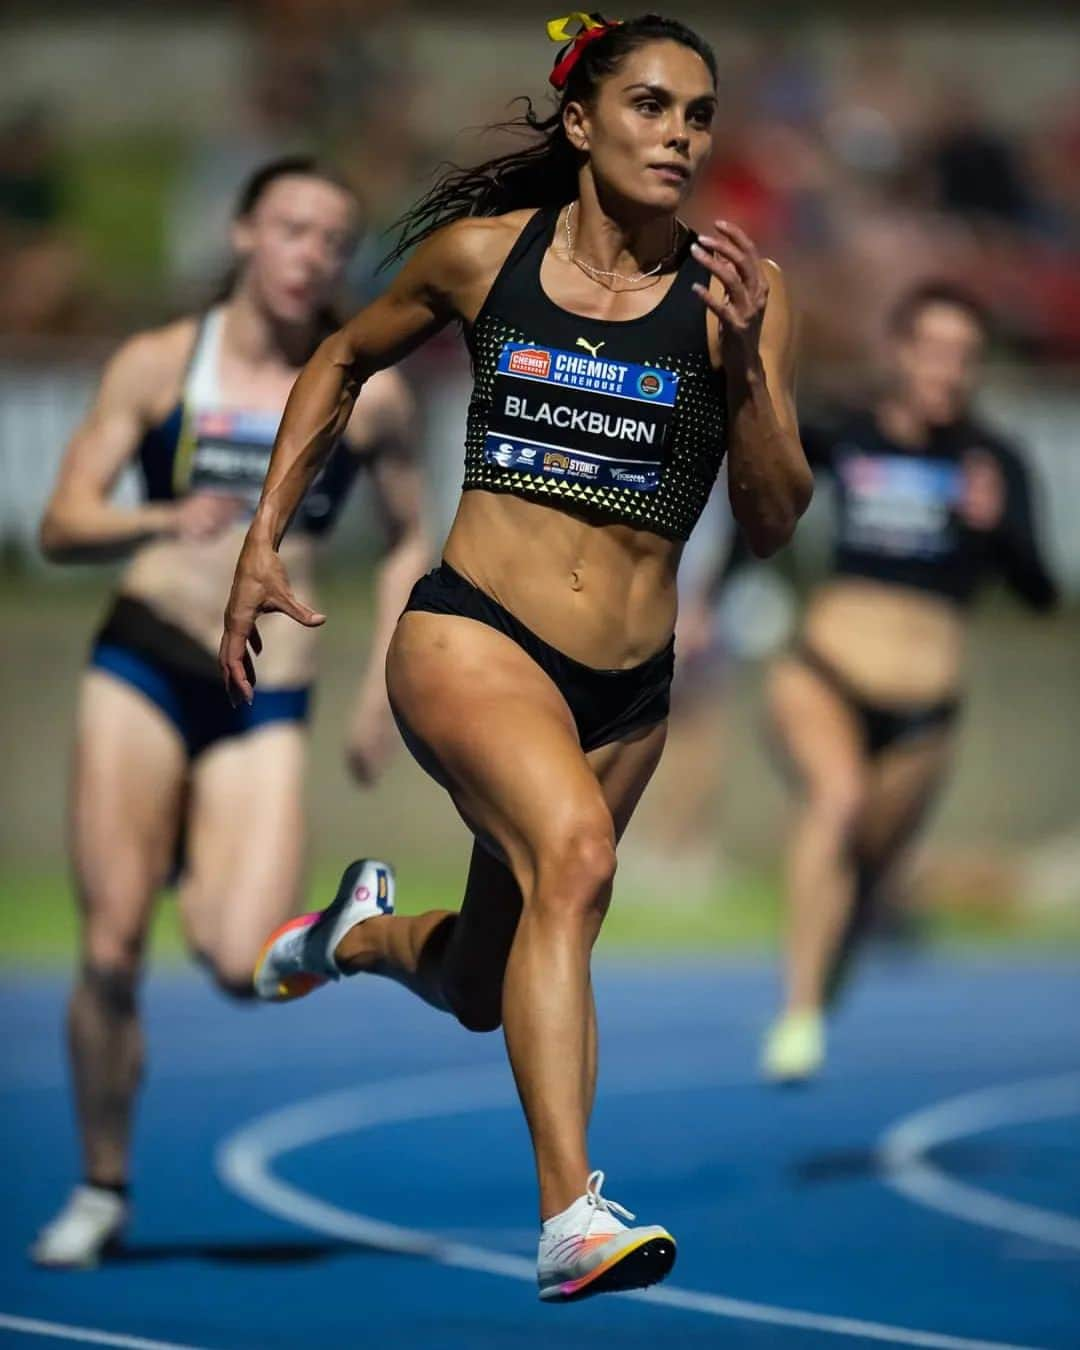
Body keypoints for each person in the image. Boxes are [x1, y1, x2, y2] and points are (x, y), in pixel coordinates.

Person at [221, 14, 811, 1301]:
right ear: (586, 123)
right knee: (580, 861)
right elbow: (338, 355)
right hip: (470, 636)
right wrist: (262, 541)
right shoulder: (486, 259)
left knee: (487, 986)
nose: (680, 135)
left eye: (699, 115)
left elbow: (770, 523)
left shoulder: (734, 299)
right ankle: (568, 1219)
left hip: (627, 695)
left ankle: (354, 937)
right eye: (651, 106)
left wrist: (753, 365)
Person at [31, 157, 427, 1267]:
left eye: (335, 237)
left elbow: (408, 539)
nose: (313, 253)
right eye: (292, 227)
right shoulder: (162, 365)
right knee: (111, 947)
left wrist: (381, 687)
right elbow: (58, 522)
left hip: (269, 694)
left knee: (237, 963)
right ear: (245, 233)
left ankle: (341, 928)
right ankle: (102, 1187)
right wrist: (161, 517)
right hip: (146, 669)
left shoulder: (370, 392)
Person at [761, 281, 1059, 1083]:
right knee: (837, 797)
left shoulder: (994, 461)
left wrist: (997, 529)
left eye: (964, 356)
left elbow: (1039, 593)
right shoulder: (849, 436)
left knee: (866, 881)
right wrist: (716, 597)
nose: (946, 369)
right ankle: (794, 1009)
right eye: (932, 349)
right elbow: (769, 486)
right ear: (899, 352)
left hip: (926, 708)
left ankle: (818, 994)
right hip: (825, 673)